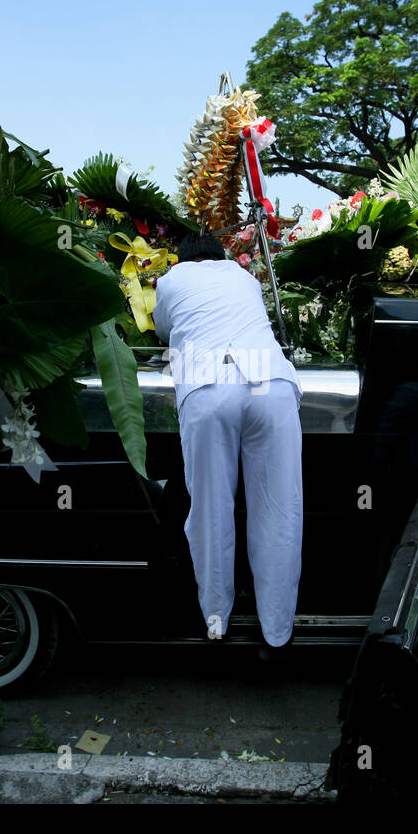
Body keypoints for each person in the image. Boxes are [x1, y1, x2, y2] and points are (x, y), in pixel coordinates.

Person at [152, 233, 303, 661]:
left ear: (182, 258)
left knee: (211, 512)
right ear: (221, 256)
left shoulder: (170, 279)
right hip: (268, 380)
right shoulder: (246, 278)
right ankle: (277, 631)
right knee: (278, 509)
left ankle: (216, 618)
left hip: (207, 383)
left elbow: (163, 329)